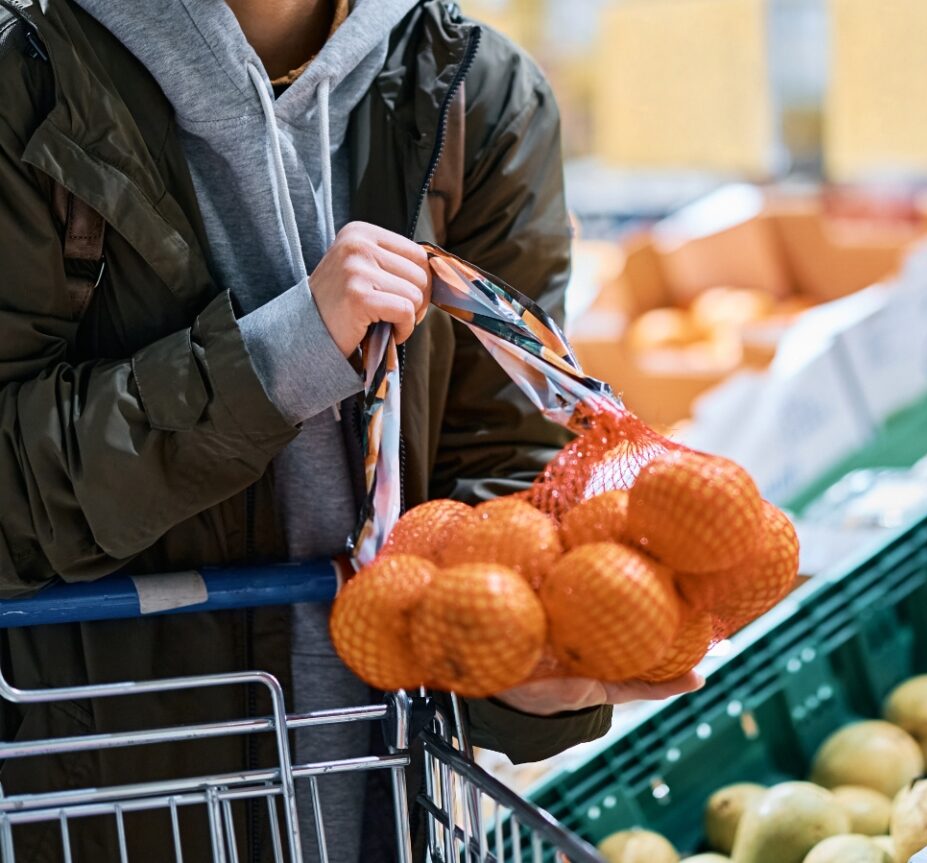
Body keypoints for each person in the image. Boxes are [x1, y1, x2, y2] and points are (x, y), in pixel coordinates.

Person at [0, 1, 700, 860]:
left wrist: (524, 666)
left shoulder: (473, 95)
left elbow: (505, 468)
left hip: (389, 804)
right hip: (91, 809)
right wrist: (270, 363)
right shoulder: (24, 75)